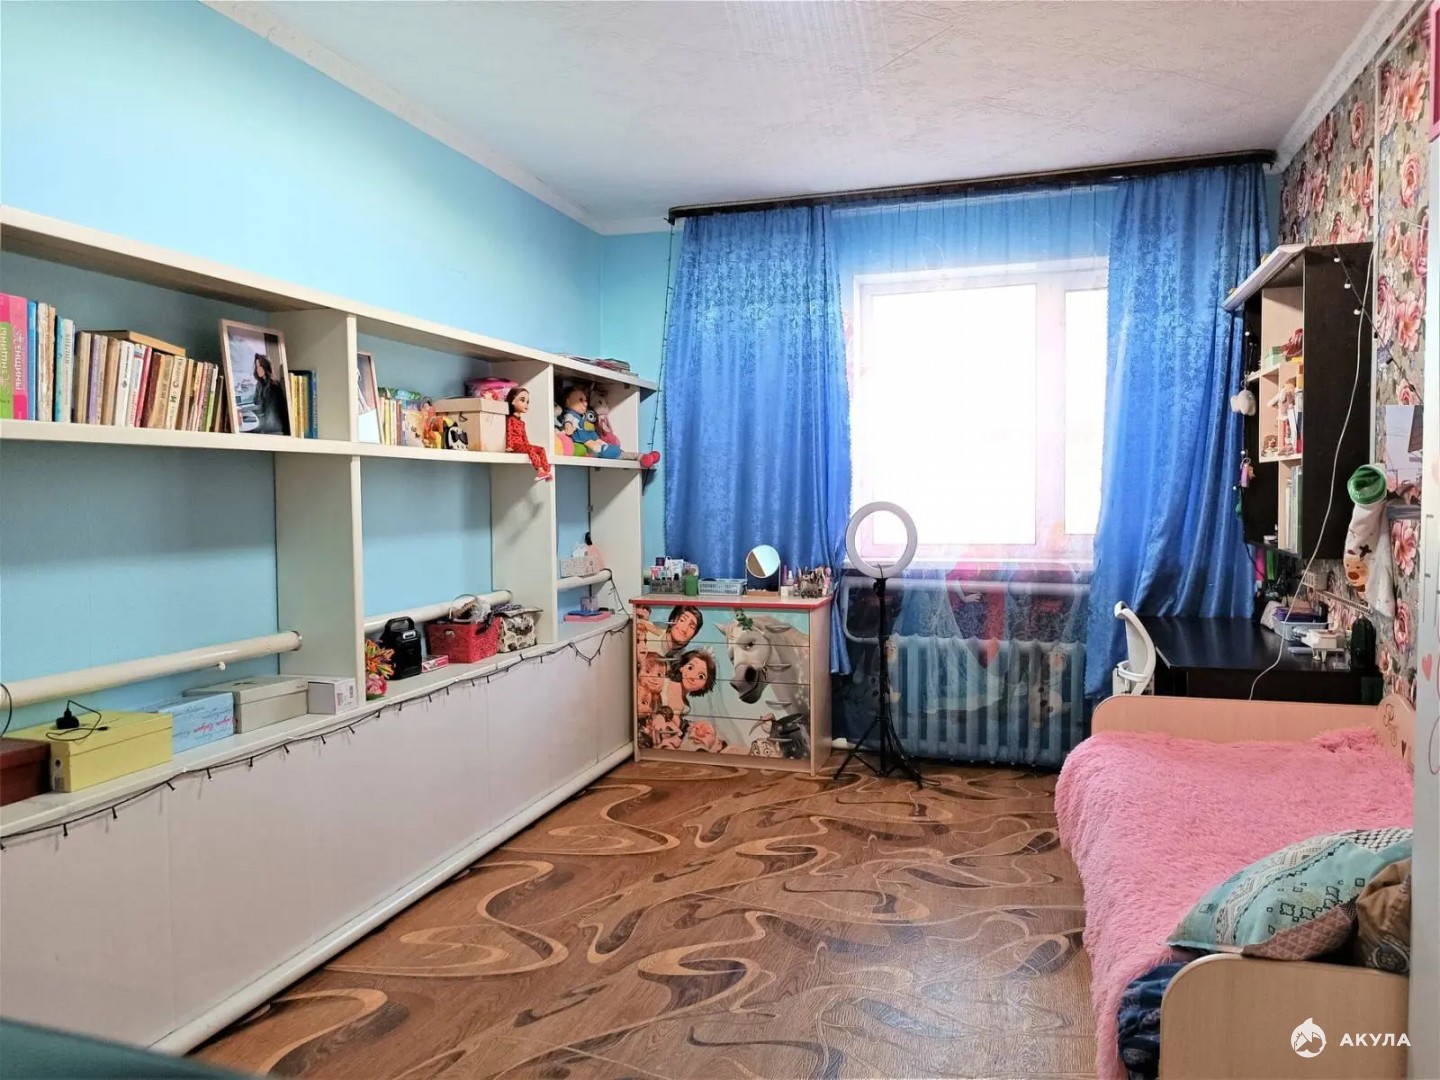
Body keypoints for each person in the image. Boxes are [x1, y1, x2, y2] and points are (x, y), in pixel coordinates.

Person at [505, 387, 553, 481]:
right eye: (522, 400)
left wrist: (527, 445)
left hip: (522, 445)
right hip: (515, 445)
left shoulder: (522, 423)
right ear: (513, 401)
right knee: (530, 449)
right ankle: (540, 470)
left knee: (541, 449)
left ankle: (547, 471)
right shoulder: (510, 419)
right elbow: (509, 432)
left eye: (527, 402)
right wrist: (509, 446)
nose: (526, 404)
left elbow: (524, 437)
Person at [251, 354, 288, 435]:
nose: (258, 369)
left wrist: (261, 429)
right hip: (267, 422)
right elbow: (256, 401)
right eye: (256, 366)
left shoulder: (274, 386)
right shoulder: (260, 384)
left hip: (274, 428)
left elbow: (271, 415)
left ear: (266, 366)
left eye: (260, 366)